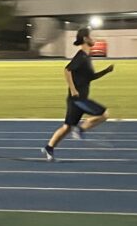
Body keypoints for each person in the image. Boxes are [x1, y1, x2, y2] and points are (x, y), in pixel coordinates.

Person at [42, 27, 112, 162]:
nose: (94, 39)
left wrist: (106, 71)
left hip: (76, 99)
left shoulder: (86, 57)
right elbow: (67, 70)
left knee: (67, 127)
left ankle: (49, 147)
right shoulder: (81, 56)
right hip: (78, 99)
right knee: (104, 114)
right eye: (91, 37)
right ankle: (80, 130)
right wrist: (73, 89)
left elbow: (90, 77)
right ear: (86, 38)